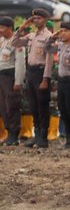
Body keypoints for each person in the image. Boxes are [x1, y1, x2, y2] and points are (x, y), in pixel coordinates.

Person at [12, 9, 53, 148]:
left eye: (39, 18)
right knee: (33, 105)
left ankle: (43, 137)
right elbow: (14, 42)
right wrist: (23, 26)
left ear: (45, 20)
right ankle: (36, 135)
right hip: (31, 72)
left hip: (41, 73)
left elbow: (49, 60)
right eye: (34, 18)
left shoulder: (49, 37)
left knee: (42, 105)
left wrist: (45, 79)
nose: (36, 21)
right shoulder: (31, 35)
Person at [45, 22, 70, 148]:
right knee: (64, 111)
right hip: (61, 82)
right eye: (61, 31)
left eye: (66, 31)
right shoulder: (60, 45)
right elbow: (47, 48)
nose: (63, 33)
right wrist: (52, 37)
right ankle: (68, 139)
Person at [0, 17, 25, 146]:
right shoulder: (2, 41)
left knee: (12, 106)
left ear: (10, 28)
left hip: (11, 77)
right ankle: (8, 132)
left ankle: (14, 135)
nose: (0, 30)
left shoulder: (17, 42)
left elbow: (20, 63)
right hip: (1, 77)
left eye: (2, 27)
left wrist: (18, 81)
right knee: (3, 107)